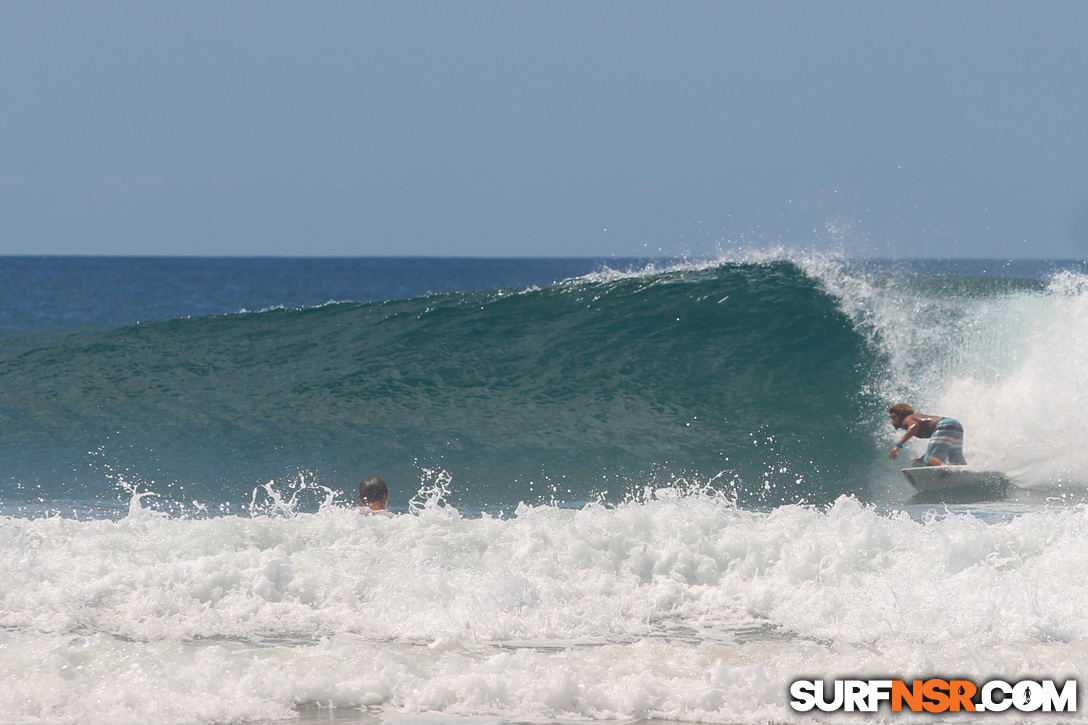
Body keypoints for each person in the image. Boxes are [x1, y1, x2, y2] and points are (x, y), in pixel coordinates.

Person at [887, 403, 967, 466]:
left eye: (893, 418)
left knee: (930, 459)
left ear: (901, 415)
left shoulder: (906, 420)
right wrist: (924, 456)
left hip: (944, 425)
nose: (892, 421)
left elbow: (914, 426)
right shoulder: (915, 418)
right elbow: (939, 445)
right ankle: (966, 473)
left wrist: (897, 446)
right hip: (955, 424)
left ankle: (948, 471)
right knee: (956, 460)